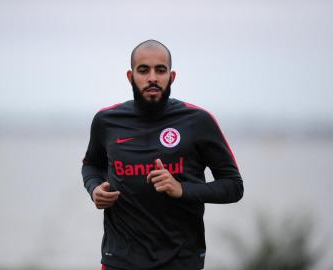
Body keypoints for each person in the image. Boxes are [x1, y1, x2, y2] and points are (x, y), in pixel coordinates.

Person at [81, 40, 244, 270]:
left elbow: (234, 187)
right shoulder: (106, 121)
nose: (152, 78)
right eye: (143, 70)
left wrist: (182, 189)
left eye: (160, 70)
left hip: (180, 261)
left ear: (172, 76)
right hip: (119, 260)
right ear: (130, 76)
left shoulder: (198, 121)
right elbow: (91, 164)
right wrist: (94, 188)